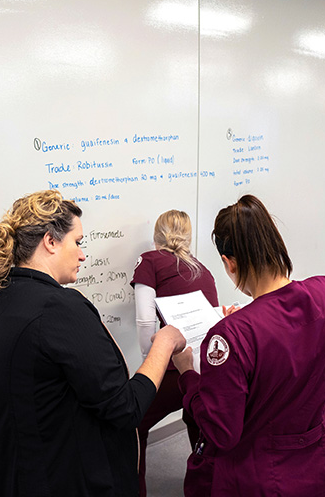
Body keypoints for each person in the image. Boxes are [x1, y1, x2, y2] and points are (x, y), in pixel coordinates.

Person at [0, 190, 186, 497]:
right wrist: (164, 343)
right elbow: (125, 408)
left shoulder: (1, 306)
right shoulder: (59, 309)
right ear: (50, 241)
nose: (82, 254)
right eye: (78, 242)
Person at [172, 195, 325, 497]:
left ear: (228, 263)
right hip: (312, 465)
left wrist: (187, 374)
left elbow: (221, 432)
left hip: (257, 477)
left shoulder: (232, 334)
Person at [130, 209, 219, 497]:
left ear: (156, 237)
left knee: (133, 423)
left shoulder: (150, 260)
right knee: (196, 418)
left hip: (173, 368)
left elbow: (145, 321)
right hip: (207, 368)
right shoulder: (202, 268)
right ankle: (205, 486)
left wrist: (151, 358)